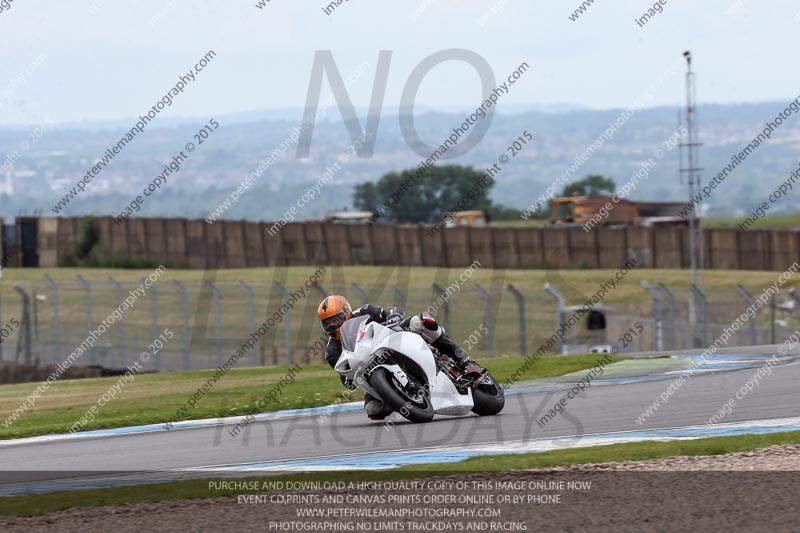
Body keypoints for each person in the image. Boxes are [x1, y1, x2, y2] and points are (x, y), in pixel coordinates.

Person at [317, 295, 473, 420]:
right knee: (373, 409)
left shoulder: (365, 311)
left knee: (420, 321)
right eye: (328, 323)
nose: (333, 325)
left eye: (336, 319)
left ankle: (460, 357)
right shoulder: (332, 352)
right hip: (370, 370)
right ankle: (402, 397)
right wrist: (348, 380)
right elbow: (344, 376)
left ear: (346, 311)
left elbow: (392, 311)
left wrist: (392, 317)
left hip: (394, 341)